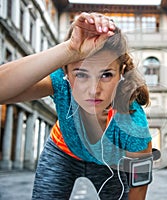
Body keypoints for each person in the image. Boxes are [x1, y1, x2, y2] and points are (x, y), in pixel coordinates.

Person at [0, 12, 152, 200]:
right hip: (63, 152)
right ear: (66, 72)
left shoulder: (134, 124)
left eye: (106, 75)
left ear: (121, 73)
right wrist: (69, 50)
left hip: (110, 163)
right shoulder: (60, 84)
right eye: (81, 75)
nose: (93, 90)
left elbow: (139, 185)